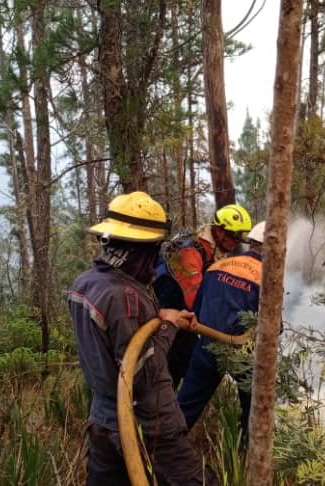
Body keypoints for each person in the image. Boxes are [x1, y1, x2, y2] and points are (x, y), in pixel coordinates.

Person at [68, 191, 218, 486]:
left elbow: (111, 337)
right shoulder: (125, 296)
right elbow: (140, 373)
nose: (157, 261)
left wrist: (161, 316)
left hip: (103, 420)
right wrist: (169, 327)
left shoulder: (85, 283)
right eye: (155, 251)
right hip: (147, 422)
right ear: (140, 250)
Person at [178, 222, 266, 435]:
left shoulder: (218, 266)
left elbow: (196, 308)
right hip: (243, 354)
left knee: (184, 408)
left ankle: (158, 453)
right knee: (254, 413)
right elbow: (270, 328)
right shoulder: (267, 278)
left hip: (206, 347)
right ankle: (245, 460)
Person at [153, 203, 252, 389]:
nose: (236, 243)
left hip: (185, 325)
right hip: (168, 327)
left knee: (184, 366)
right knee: (165, 377)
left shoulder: (213, 253)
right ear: (220, 231)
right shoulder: (190, 253)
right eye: (233, 237)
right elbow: (195, 299)